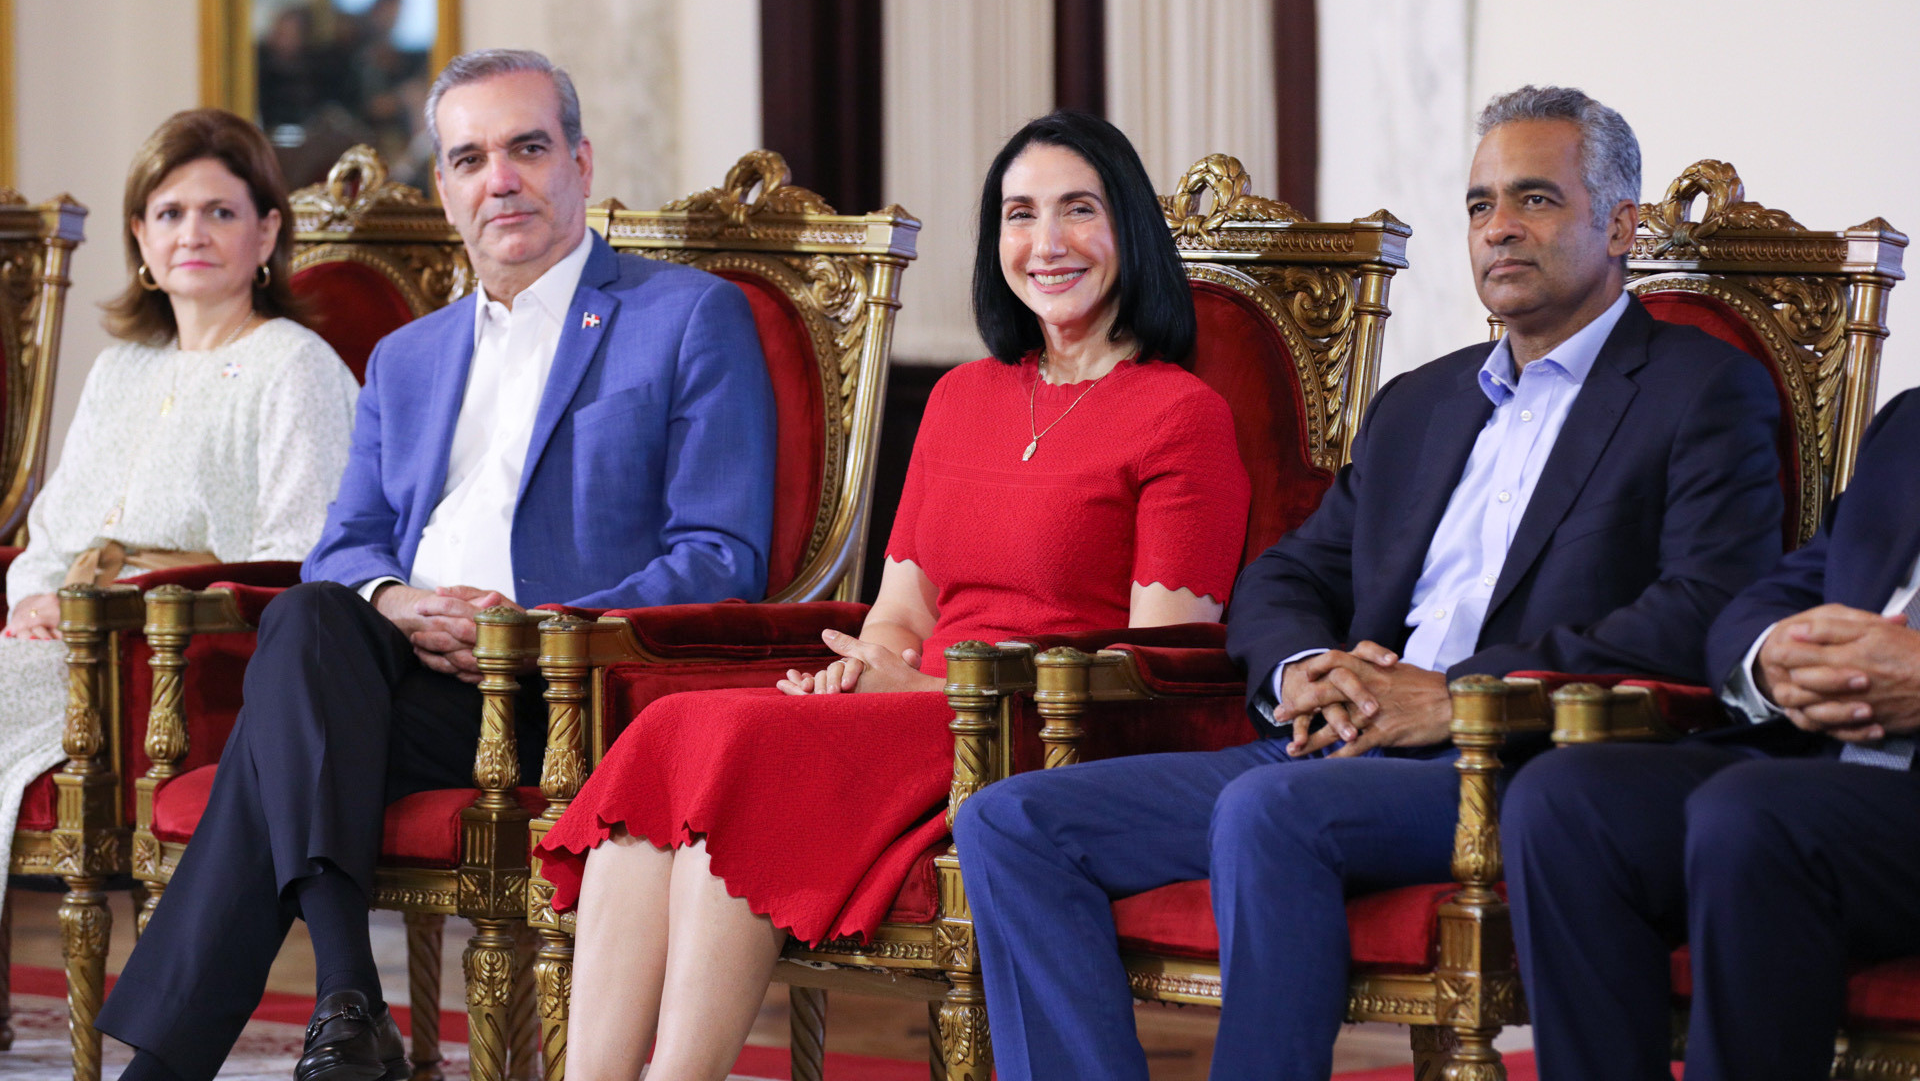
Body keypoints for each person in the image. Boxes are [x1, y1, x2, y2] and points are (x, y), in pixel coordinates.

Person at [952, 85, 1789, 1081]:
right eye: (1479, 205)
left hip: (1520, 767)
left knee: (1270, 811)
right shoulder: (1423, 403)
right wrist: (1304, 665)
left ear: (1619, 226)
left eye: (1535, 199)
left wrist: (1457, 695)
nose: (1499, 227)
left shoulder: (1701, 389)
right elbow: (1289, 571)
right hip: (1344, 741)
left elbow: (1705, 607)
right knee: (1011, 821)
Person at [96, 49, 778, 1081]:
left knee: (277, 743)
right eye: (468, 158)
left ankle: (230, 1047)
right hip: (410, 679)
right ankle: (348, 1001)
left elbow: (722, 556)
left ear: (582, 162)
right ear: (446, 189)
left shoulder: (684, 316)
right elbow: (344, 544)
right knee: (315, 615)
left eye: (527, 148)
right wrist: (399, 600)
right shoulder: (410, 357)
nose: (499, 179)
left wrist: (527, 631)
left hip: (572, 693)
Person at [535, 111, 1251, 1081]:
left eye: (1079, 210)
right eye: (1020, 214)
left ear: (1128, 228)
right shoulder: (962, 397)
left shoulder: (1182, 415)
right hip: (914, 711)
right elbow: (903, 613)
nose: (1046, 242)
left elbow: (1157, 667)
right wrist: (862, 670)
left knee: (740, 748)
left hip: (1046, 732)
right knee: (674, 729)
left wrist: (929, 693)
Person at [0, 108, 358, 918]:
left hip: (176, 662)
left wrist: (104, 613)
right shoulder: (120, 368)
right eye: (168, 214)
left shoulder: (294, 365)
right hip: (59, 639)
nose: (191, 233)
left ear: (267, 234)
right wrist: (33, 598)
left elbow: (299, 558)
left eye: (219, 211)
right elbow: (54, 528)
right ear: (140, 237)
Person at [1502, 386, 1920, 1080]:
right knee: (1566, 800)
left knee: (1754, 813)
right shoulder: (1910, 424)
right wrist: (1771, 656)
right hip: (1818, 761)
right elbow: (1784, 590)